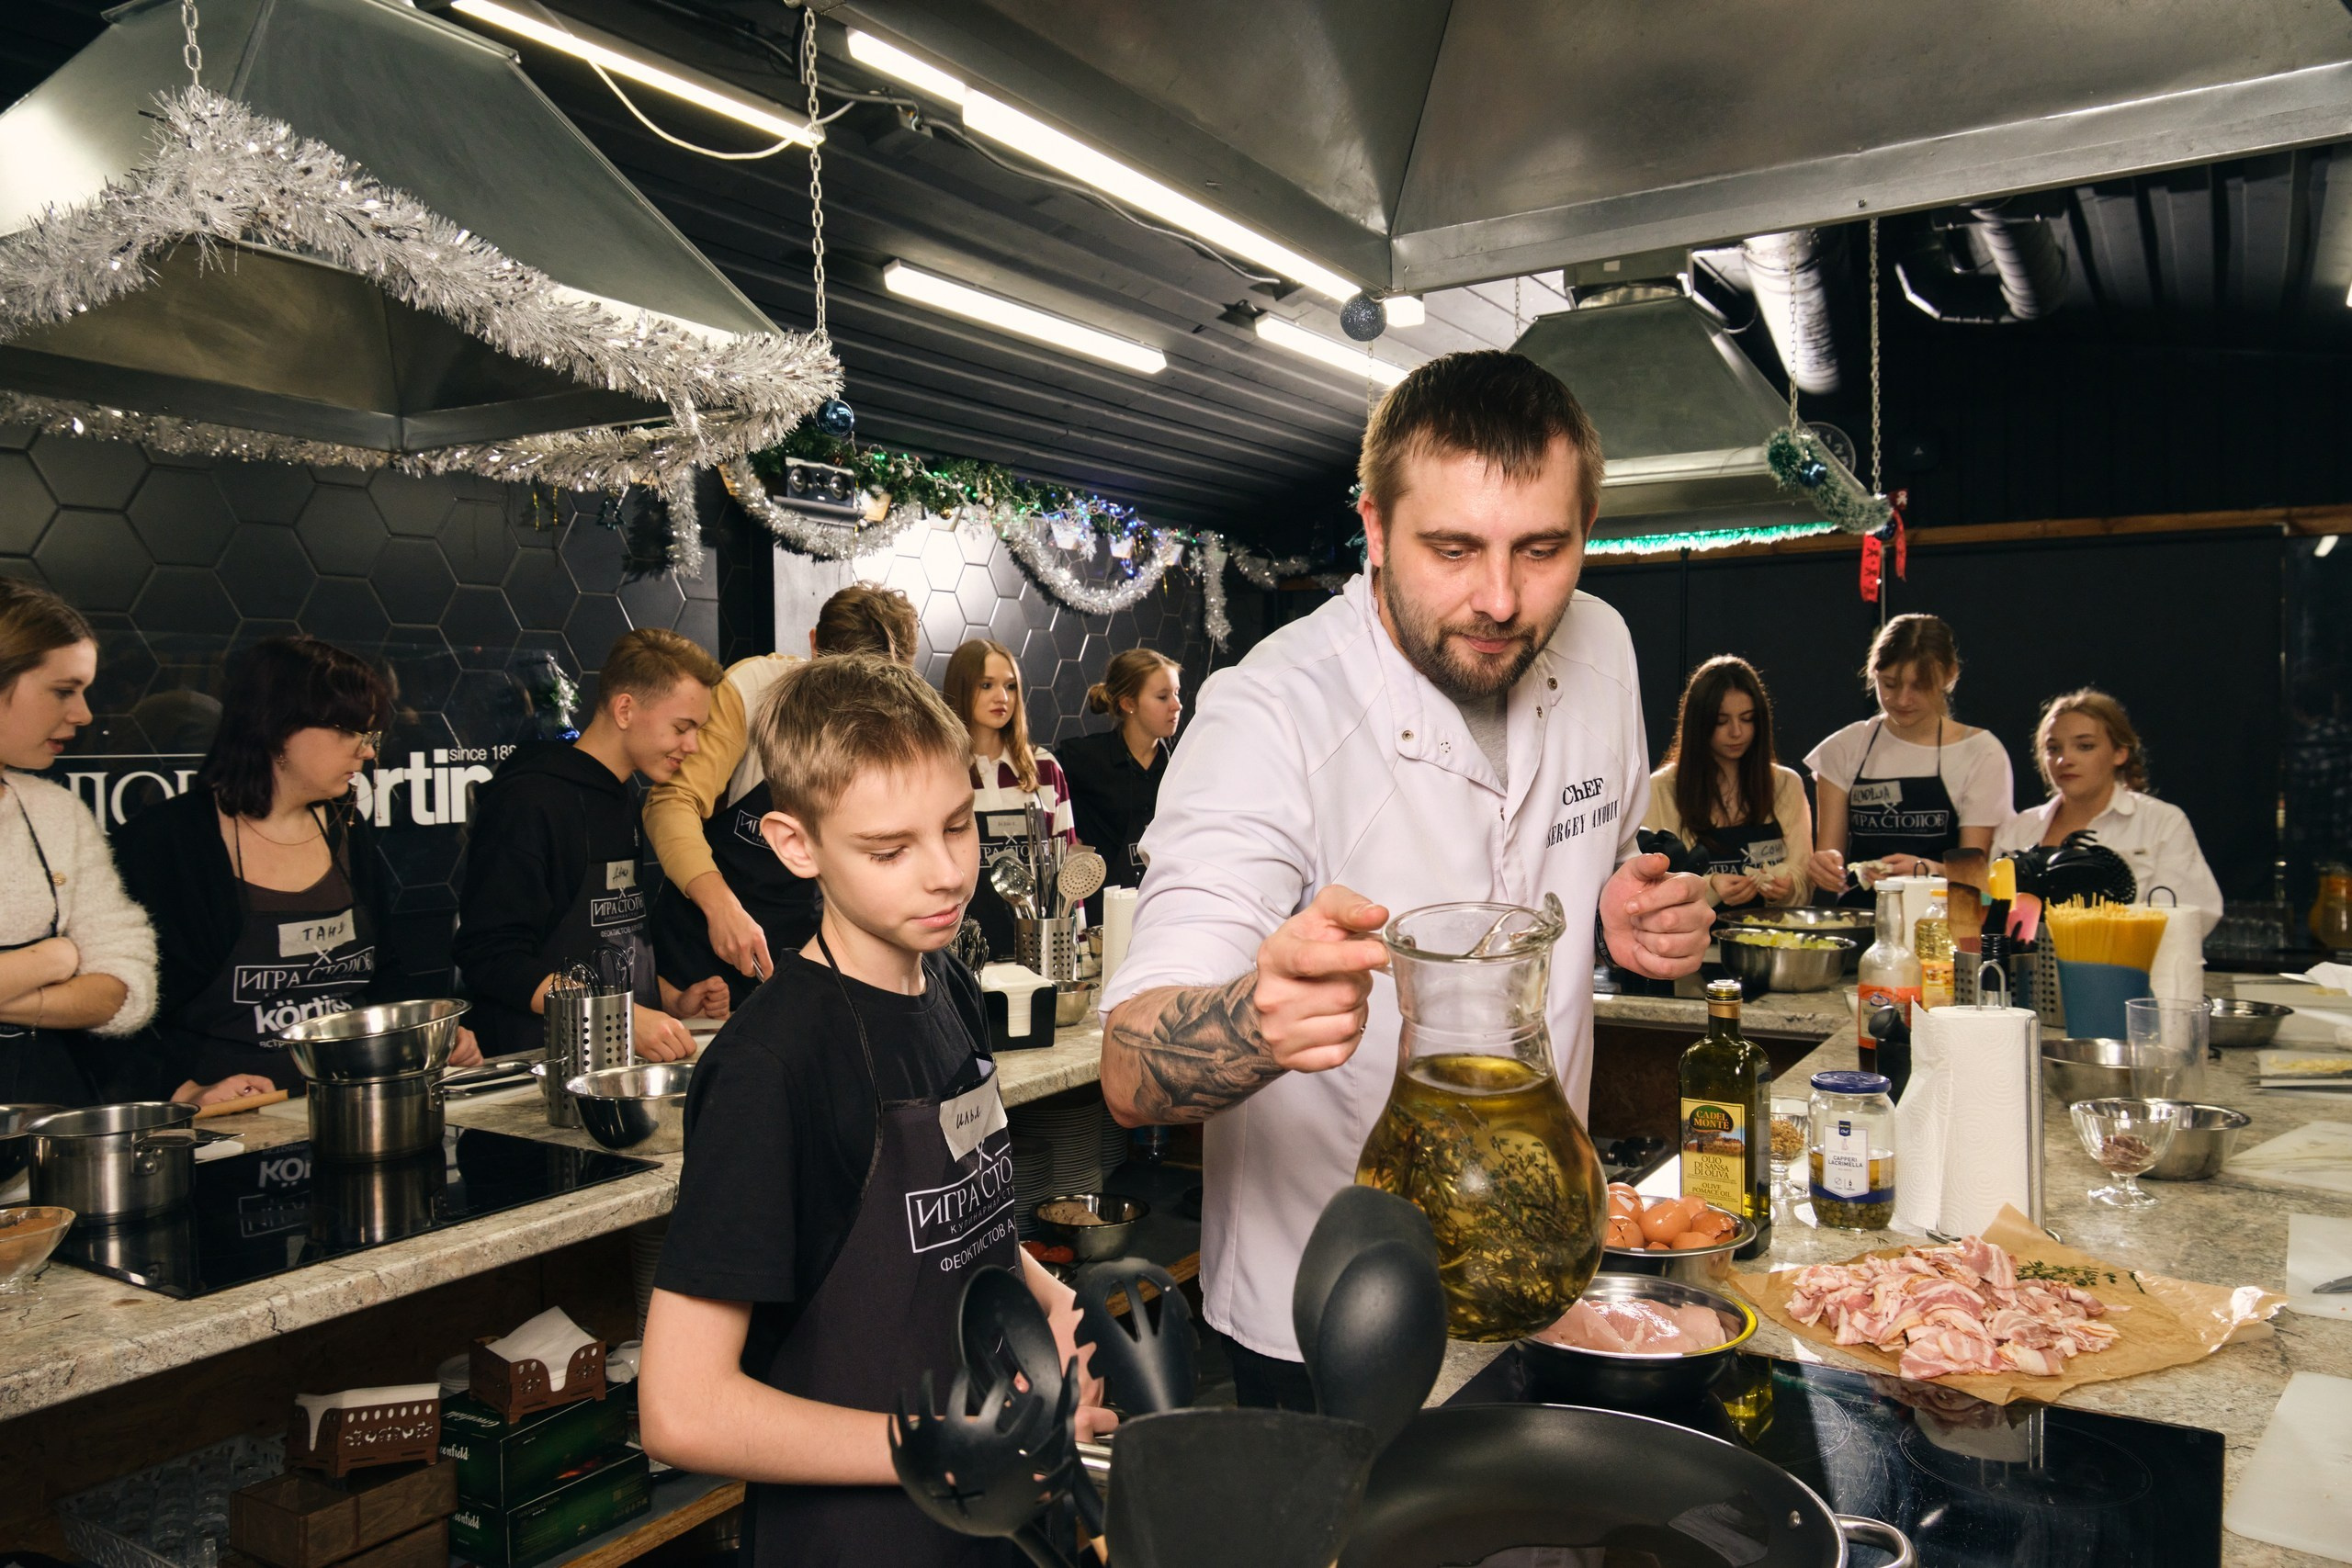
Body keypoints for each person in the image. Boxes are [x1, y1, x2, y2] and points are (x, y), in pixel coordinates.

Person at [1097, 350, 1712, 1409]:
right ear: (1374, 529)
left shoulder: (1601, 645)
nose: (1501, 598)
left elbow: (1600, 850)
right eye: (1451, 547)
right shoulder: (1268, 714)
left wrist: (1623, 905)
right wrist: (1254, 1018)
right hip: (1336, 1314)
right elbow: (1128, 1065)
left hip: (1541, 1265)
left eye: (1543, 548)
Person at [639, 655, 1113, 1567]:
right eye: (890, 850)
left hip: (992, 1515)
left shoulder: (950, 985)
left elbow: (948, 1219)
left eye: (957, 827)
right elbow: (680, 1408)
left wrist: (1048, 1300)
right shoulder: (769, 1070)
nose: (943, 875)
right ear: (796, 845)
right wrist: (940, 1446)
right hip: (861, 1536)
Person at [119, 637, 483, 1101]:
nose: (368, 753)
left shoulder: (344, 829)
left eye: (371, 736)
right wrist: (185, 1090)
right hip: (234, 1120)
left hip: (354, 1104)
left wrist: (431, 1036)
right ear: (278, 727)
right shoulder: (169, 842)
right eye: (350, 731)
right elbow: (122, 1008)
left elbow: (384, 975)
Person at [454, 628, 726, 1064]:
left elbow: (614, 935)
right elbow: (492, 957)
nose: (692, 746)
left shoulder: (621, 795)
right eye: (682, 727)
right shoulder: (528, 802)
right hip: (541, 1075)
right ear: (624, 709)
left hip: (612, 1066)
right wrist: (619, 1017)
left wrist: (668, 1001)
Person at [647, 584, 919, 1008]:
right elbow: (671, 804)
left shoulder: (895, 720)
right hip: (703, 958)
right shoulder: (752, 693)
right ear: (813, 645)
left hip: (806, 955)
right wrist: (722, 908)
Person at [0, 581, 157, 1105]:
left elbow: (123, 980)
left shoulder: (55, 811)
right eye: (63, 690)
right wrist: (55, 958)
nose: (84, 715)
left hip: (43, 1142)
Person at [1803, 614, 2013, 904]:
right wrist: (1824, 865)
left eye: (1919, 686)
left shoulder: (1980, 753)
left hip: (1940, 923)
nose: (1902, 700)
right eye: (1889, 684)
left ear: (1950, 676)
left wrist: (1926, 870)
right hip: (1862, 921)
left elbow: (1977, 879)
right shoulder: (1845, 748)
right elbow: (1831, 856)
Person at [1994, 688, 2222, 927]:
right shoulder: (2019, 828)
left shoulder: (2162, 821)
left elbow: (2195, 915)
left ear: (2120, 753)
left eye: (2085, 746)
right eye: (2053, 749)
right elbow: (1990, 912)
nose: (2064, 760)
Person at [1642, 656, 1813, 914]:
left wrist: (1787, 889)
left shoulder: (1786, 784)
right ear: (1698, 725)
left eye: (1747, 719)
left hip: (1769, 943)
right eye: (1721, 722)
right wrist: (1710, 886)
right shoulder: (1661, 789)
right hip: (1694, 948)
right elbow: (1649, 887)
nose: (1736, 732)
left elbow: (1804, 880)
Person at [944, 638, 1076, 960]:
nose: (1002, 697)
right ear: (961, 688)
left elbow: (1070, 865)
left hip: (1041, 949)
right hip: (960, 948)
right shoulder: (943, 770)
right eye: (986, 685)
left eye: (1011, 686)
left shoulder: (1043, 767)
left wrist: (1077, 943)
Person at [1057, 648, 1182, 918]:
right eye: (1162, 697)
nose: (1176, 705)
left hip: (1166, 911)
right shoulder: (1081, 759)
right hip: (1100, 918)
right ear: (1128, 703)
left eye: (1177, 693)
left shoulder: (1182, 767)